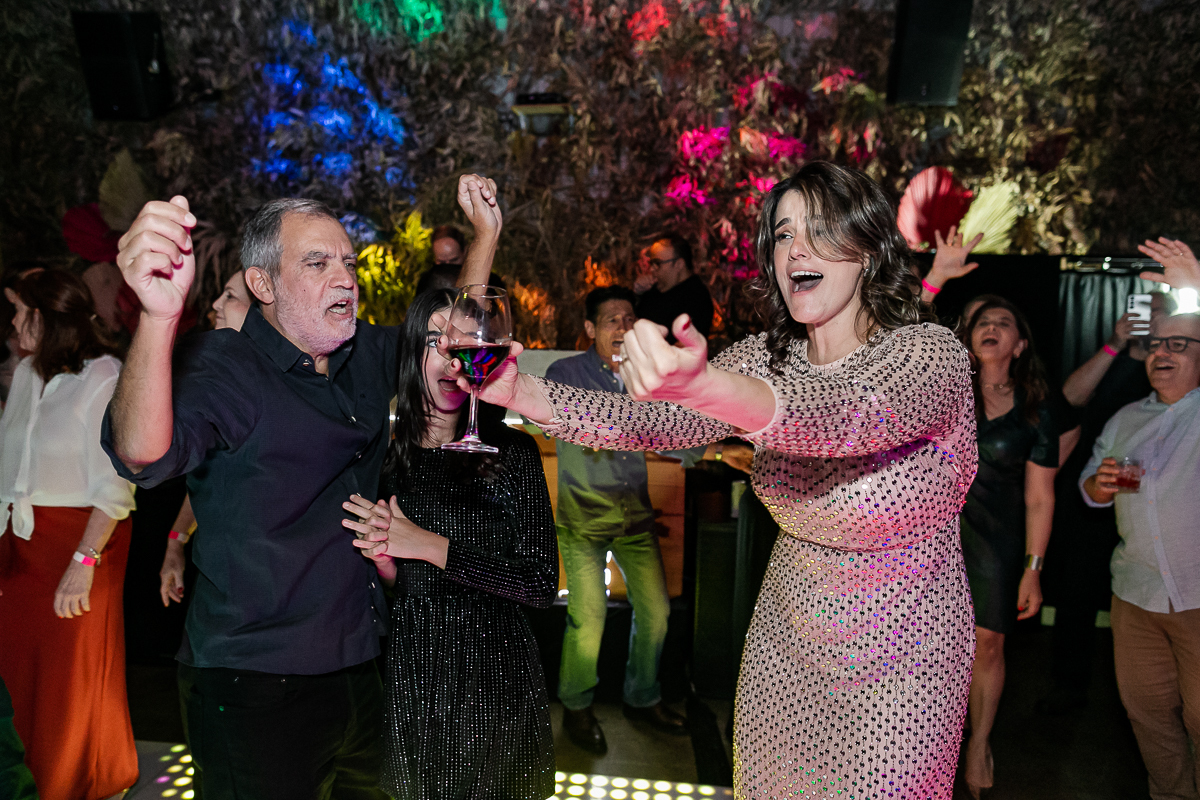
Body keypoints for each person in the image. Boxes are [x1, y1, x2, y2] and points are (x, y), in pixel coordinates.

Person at [466, 161, 979, 798]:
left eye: (820, 230)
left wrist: (713, 390)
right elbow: (639, 422)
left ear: (869, 249)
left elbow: (846, 416)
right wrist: (521, 391)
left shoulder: (929, 353)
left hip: (902, 658)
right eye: (784, 233)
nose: (797, 249)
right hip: (785, 641)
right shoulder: (765, 356)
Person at [101, 175, 501, 797]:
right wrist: (158, 318)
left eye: (347, 262)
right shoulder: (224, 364)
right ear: (263, 284)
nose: (345, 277)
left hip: (360, 666)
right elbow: (139, 453)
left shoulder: (363, 354)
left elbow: (459, 339)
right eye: (317, 263)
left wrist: (485, 237)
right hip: (254, 681)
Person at [342, 288, 557, 799]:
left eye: (461, 340)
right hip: (416, 668)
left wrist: (431, 545)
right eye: (436, 339)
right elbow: (401, 585)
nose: (449, 355)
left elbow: (540, 584)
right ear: (412, 350)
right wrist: (387, 562)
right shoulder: (387, 458)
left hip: (493, 673)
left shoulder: (510, 451)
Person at [0, 269, 138, 799]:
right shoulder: (29, 372)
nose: (12, 322)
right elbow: (11, 470)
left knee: (67, 681)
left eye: (20, 311)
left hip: (81, 544)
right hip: (22, 549)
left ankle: (67, 782)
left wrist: (82, 565)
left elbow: (118, 485)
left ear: (46, 316)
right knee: (16, 673)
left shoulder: (105, 376)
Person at [545, 285, 685, 754]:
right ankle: (577, 706)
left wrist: (718, 446)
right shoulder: (565, 372)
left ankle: (641, 697)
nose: (623, 328)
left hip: (635, 520)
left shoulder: (645, 378)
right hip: (582, 521)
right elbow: (588, 422)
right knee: (589, 619)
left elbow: (669, 434)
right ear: (590, 329)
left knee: (658, 615)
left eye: (629, 319)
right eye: (612, 320)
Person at [1080, 309, 1200, 800]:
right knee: (1149, 716)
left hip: (1196, 595)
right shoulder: (1127, 418)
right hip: (1134, 594)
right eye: (1155, 345)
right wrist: (1101, 485)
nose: (1160, 353)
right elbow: (1089, 486)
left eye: (1178, 344)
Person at [956, 296, 1059, 797]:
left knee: (989, 644)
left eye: (1004, 322)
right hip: (935, 535)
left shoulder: (1036, 412)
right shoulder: (946, 394)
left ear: (1018, 346)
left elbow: (1041, 497)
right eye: (982, 322)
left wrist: (1032, 569)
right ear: (969, 340)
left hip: (997, 537)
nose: (991, 326)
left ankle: (979, 743)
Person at [158, 269, 254, 606]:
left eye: (230, 295)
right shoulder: (218, 379)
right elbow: (211, 475)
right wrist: (175, 541)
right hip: (218, 569)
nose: (215, 304)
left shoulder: (297, 387)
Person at [634, 233, 714, 340]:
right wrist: (637, 293)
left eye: (657, 263)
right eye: (651, 263)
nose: (652, 269)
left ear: (679, 264)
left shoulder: (696, 298)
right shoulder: (655, 290)